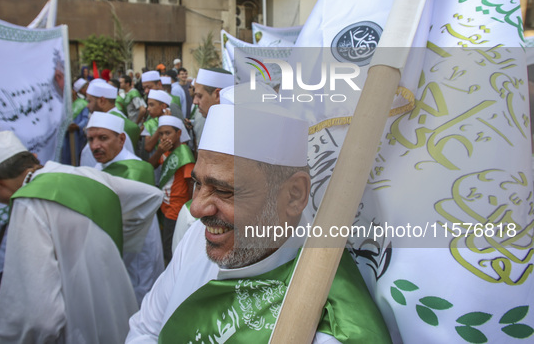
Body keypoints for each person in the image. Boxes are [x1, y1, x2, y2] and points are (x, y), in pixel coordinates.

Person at [126, 104, 390, 343]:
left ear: (294, 195)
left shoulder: (337, 322)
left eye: (224, 190)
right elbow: (145, 329)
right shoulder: (200, 236)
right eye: (198, 183)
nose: (196, 209)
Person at [0, 131, 163, 343]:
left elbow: (39, 317)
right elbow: (149, 196)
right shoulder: (82, 174)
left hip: (76, 326)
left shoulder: (29, 203)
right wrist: (112, 246)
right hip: (117, 310)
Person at [86, 112, 164, 306]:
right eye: (91, 139)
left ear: (121, 139)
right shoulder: (101, 165)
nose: (95, 146)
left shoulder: (134, 171)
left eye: (103, 138)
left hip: (134, 250)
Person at [147, 115, 194, 264]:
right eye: (161, 134)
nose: (164, 137)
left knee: (170, 248)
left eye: (168, 133)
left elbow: (191, 185)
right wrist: (158, 152)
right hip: (164, 207)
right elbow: (149, 167)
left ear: (179, 133)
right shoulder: (165, 152)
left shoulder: (184, 154)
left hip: (176, 209)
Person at [80, 79, 139, 167]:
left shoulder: (103, 126)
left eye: (90, 101)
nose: (87, 105)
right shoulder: (121, 118)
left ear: (102, 101)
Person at [61, 78, 89, 166]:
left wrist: (78, 126)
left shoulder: (82, 103)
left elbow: (85, 119)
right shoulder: (62, 106)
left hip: (78, 136)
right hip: (65, 137)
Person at [141, 89, 172, 155]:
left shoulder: (174, 122)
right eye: (148, 105)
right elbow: (148, 147)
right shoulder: (149, 124)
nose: (148, 109)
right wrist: (162, 125)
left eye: (151, 105)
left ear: (163, 106)